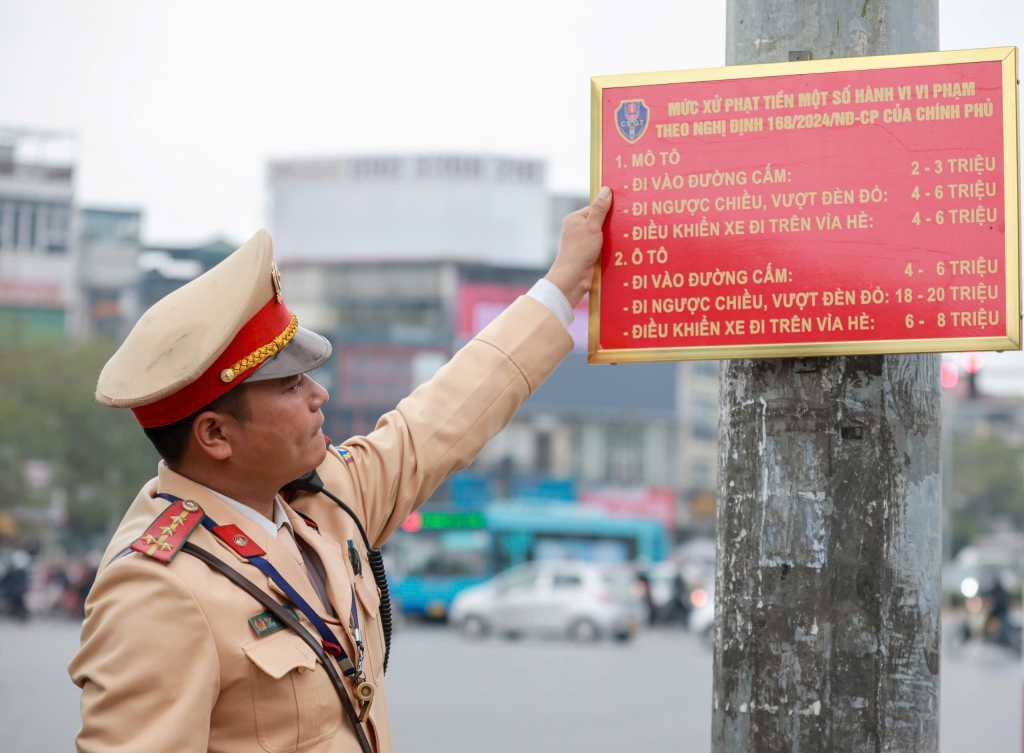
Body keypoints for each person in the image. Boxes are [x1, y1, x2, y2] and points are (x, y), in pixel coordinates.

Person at [68, 187, 612, 753]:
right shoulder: (156, 587)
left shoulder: (321, 500)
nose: (318, 395)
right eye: (290, 385)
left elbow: (443, 418)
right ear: (215, 435)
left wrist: (562, 283)